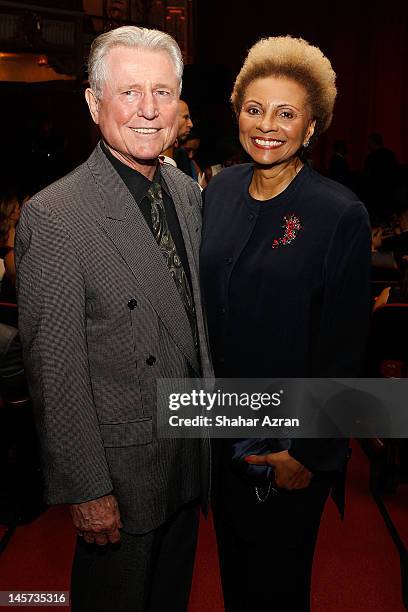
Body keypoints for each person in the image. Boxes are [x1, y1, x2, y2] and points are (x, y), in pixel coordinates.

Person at [15, 26, 212, 612]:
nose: (149, 111)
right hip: (122, 476)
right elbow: (56, 371)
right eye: (129, 93)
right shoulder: (56, 215)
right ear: (93, 102)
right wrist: (88, 488)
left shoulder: (185, 187)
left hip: (188, 454)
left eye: (163, 91)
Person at [200, 35, 371, 611]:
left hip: (286, 444)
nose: (266, 125)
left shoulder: (338, 212)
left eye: (286, 113)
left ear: (312, 127)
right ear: (238, 114)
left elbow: (345, 348)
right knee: (234, 584)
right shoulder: (218, 191)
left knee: (276, 591)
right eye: (254, 109)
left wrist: (309, 453)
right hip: (218, 429)